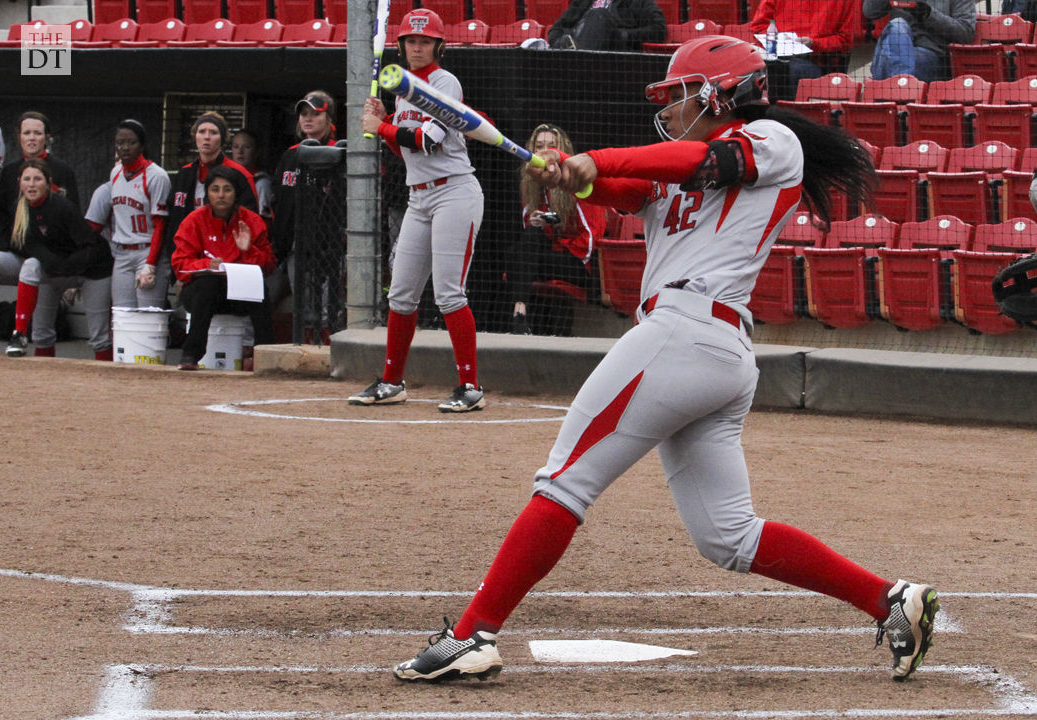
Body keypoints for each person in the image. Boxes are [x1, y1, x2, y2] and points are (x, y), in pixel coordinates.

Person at [392, 35, 940, 685]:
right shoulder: (683, 164)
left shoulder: (768, 141)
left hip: (688, 331)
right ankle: (888, 599)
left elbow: (692, 162)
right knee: (728, 537)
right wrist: (573, 174)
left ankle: (471, 634)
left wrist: (588, 159)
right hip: (707, 347)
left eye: (680, 96)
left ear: (719, 92)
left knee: (563, 481)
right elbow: (626, 188)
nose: (671, 108)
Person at [353, 9, 487, 413]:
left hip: (454, 193)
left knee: (448, 293)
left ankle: (471, 387)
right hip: (419, 196)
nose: (417, 46)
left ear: (437, 46)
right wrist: (386, 121)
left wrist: (382, 128)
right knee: (401, 294)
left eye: (425, 41)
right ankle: (392, 381)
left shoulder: (445, 82)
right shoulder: (401, 87)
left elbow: (428, 141)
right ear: (401, 45)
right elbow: (403, 149)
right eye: (411, 41)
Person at [170, 165, 276, 370]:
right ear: (207, 193)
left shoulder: (252, 221)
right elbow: (179, 265)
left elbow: (269, 266)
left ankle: (266, 355)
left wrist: (248, 250)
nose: (221, 195)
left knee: (261, 288)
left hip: (238, 294)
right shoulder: (194, 220)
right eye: (215, 189)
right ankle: (190, 355)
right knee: (208, 284)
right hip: (202, 294)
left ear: (236, 193)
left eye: (227, 189)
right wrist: (206, 265)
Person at [4, 159, 112, 359]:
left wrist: (66, 266)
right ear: (19, 182)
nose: (32, 184)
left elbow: (91, 246)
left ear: (48, 182)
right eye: (27, 179)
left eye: (37, 179)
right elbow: (31, 245)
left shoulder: (62, 207)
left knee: (100, 338)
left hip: (91, 271)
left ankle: (109, 384)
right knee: (41, 334)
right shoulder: (19, 209)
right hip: (55, 270)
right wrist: (53, 264)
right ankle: (18, 334)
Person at [508, 123, 608, 335]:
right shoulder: (531, 185)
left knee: (518, 258)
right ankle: (521, 310)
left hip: (578, 262)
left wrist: (560, 241)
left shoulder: (578, 181)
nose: (544, 151)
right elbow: (530, 235)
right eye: (539, 146)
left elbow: (592, 239)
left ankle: (520, 312)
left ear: (562, 150)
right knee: (524, 244)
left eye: (551, 146)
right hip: (545, 257)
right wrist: (538, 223)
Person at [153, 111, 259, 289]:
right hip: (190, 259)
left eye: (213, 132)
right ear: (194, 136)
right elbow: (173, 222)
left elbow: (251, 221)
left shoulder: (239, 174)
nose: (207, 137)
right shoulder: (184, 174)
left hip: (228, 260)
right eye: (202, 132)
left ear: (223, 139)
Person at [86, 119, 172, 309]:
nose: (125, 147)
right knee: (122, 315)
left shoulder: (157, 176)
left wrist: (150, 264)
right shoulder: (115, 172)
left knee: (148, 316)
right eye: (120, 143)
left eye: (131, 142)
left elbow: (161, 225)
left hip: (148, 250)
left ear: (142, 145)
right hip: (122, 253)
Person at [267, 90, 338, 308]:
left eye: (315, 114)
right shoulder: (290, 155)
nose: (308, 118)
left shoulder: (338, 152)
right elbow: (277, 201)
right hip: (292, 245)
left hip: (328, 246)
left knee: (326, 308)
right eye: (304, 114)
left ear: (328, 118)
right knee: (302, 308)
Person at [0, 111, 80, 293]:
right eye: (26, 133)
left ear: (47, 137)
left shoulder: (62, 170)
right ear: (19, 137)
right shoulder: (9, 172)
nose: (32, 138)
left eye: (37, 133)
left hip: (51, 256)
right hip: (17, 253)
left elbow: (74, 218)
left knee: (43, 320)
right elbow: (1, 217)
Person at [749, 0, 858, 91]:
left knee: (788, 71)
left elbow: (845, 41)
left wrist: (814, 44)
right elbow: (758, 27)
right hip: (774, 56)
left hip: (815, 61)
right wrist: (775, 41)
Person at [863, 0, 976, 83]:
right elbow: (870, 11)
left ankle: (898, 91)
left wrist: (927, 14)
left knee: (899, 56)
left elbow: (965, 33)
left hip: (930, 55)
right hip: (891, 50)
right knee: (898, 25)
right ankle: (902, 89)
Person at [547, 0, 666, 51]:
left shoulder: (636, 1)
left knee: (599, 15)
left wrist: (620, 35)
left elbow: (658, 29)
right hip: (575, 49)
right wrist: (561, 41)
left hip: (611, 58)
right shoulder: (583, 1)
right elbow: (557, 28)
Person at [231, 127, 273, 222]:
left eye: (246, 147)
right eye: (236, 146)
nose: (240, 151)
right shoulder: (227, 178)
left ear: (256, 151)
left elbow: (265, 219)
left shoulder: (261, 183)